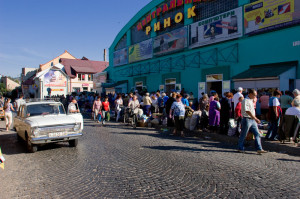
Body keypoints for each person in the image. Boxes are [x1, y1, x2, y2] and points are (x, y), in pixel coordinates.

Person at [238, 89, 267, 154]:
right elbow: (247, 111)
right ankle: (240, 147)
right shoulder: (245, 100)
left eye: (256, 95)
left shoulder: (251, 101)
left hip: (252, 119)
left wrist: (255, 118)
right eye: (254, 95)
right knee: (243, 134)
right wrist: (255, 118)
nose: (255, 96)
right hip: (247, 119)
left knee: (257, 134)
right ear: (250, 94)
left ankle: (259, 148)